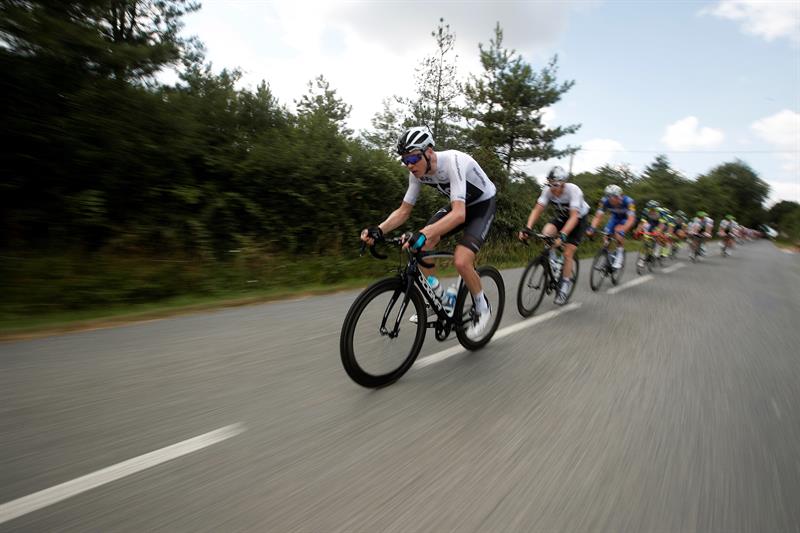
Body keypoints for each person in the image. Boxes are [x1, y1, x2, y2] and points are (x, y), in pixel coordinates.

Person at [360, 126, 497, 336]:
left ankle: (482, 306)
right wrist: (379, 229)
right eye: (404, 160)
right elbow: (404, 210)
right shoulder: (416, 172)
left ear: (429, 151)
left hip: (481, 205)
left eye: (413, 158)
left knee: (461, 260)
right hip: (459, 204)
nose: (409, 165)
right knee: (421, 244)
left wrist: (425, 232)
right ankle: (441, 298)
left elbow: (459, 214)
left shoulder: (454, 161)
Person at [518, 165, 590, 305]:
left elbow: (574, 217)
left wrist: (563, 236)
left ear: (563, 183)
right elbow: (537, 209)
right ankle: (554, 262)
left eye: (556, 184)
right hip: (563, 216)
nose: (553, 187)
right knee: (546, 233)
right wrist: (527, 228)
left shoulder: (573, 191)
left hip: (579, 219)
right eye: (550, 184)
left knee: (568, 253)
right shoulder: (548, 191)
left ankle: (565, 286)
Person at [587, 184, 636, 269]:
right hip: (615, 218)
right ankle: (607, 258)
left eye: (611, 196)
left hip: (626, 219)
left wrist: (623, 229)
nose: (609, 199)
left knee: (618, 231)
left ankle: (619, 255)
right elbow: (598, 216)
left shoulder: (629, 201)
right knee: (606, 235)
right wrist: (592, 227)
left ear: (618, 196)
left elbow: (631, 219)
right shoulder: (604, 201)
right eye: (607, 196)